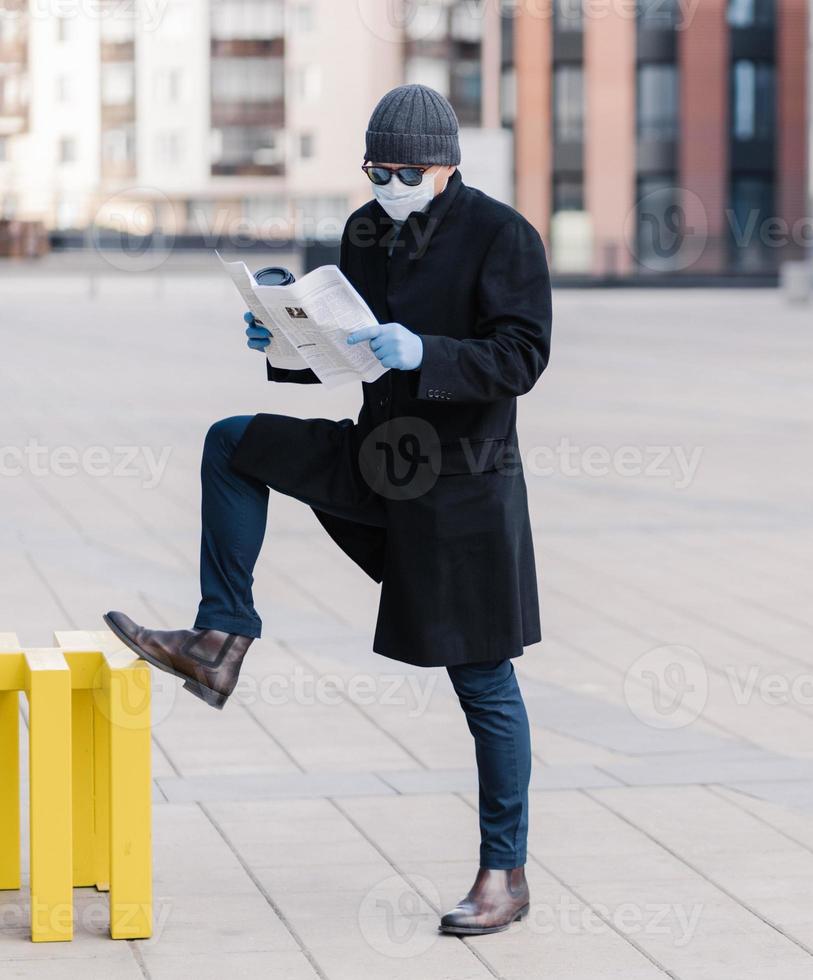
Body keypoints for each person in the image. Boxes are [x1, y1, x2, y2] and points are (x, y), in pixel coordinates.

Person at [103, 84, 551, 936]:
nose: (386, 182)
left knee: (484, 681)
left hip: (461, 488)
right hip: (377, 458)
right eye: (375, 168)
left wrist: (429, 352)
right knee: (234, 442)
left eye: (402, 170)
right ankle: (219, 637)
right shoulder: (364, 230)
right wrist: (286, 346)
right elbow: (348, 351)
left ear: (445, 164)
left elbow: (522, 356)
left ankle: (505, 874)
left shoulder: (503, 236)